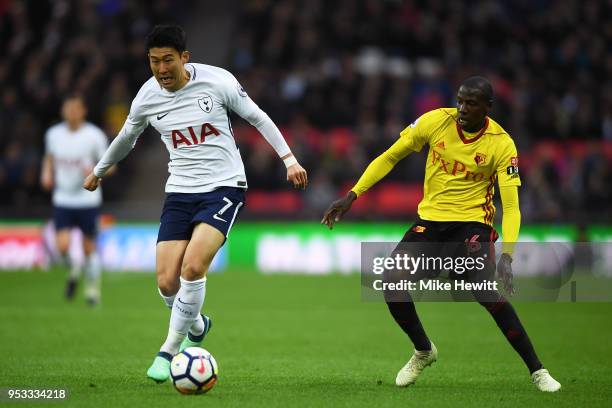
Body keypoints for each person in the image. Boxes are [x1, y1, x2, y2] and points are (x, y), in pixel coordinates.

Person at [83, 24, 308, 382]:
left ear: (184, 58)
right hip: (179, 191)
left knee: (192, 268)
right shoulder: (146, 97)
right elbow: (128, 136)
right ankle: (197, 321)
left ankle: (168, 349)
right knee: (166, 282)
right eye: (154, 61)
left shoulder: (218, 83)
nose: (160, 70)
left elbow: (258, 117)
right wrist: (99, 170)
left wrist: (288, 159)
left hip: (224, 186)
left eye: (167, 60)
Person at [321, 76, 561, 392]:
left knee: (487, 293)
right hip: (430, 224)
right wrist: (352, 195)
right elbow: (391, 156)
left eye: (471, 103)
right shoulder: (435, 121)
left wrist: (508, 255)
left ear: (487, 107)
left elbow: (512, 208)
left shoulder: (501, 144)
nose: (462, 108)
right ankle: (423, 350)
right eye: (460, 100)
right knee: (392, 280)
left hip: (472, 226)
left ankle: (538, 371)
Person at [41, 94, 112, 306]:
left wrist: (96, 172)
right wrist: (46, 173)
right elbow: (49, 157)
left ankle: (92, 290)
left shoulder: (94, 135)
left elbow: (111, 163)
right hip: (62, 197)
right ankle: (74, 268)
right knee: (61, 247)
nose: (71, 113)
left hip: (87, 199)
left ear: (83, 111)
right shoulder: (53, 134)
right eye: (67, 109)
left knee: (89, 248)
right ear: (63, 111)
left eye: (75, 109)